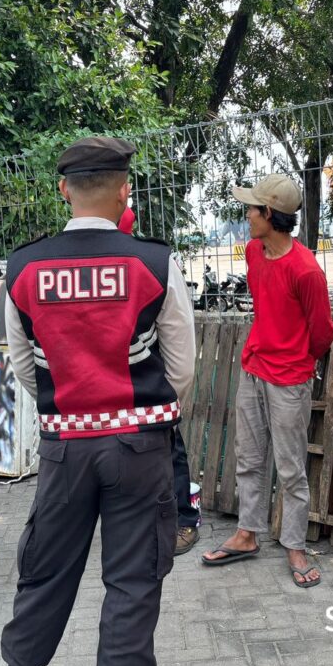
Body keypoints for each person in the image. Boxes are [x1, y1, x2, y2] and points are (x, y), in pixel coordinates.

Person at [0, 137, 196, 666]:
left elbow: (23, 365)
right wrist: (144, 410)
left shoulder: (24, 267)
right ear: (124, 191)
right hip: (139, 444)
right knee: (134, 575)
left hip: (64, 447)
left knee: (47, 568)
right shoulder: (154, 263)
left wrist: (65, 405)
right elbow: (182, 364)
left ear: (63, 189)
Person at [201, 174, 333, 588]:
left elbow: (323, 333)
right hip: (254, 369)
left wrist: (296, 361)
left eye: (253, 209)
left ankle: (295, 545)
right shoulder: (254, 253)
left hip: (289, 379)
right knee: (250, 458)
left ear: (270, 215)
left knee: (291, 467)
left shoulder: (306, 270)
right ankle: (248, 533)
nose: (246, 215)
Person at [118, 205, 201, 555]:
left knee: (171, 453)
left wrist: (168, 399)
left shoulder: (148, 264)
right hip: (118, 397)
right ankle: (146, 521)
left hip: (150, 390)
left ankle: (184, 520)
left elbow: (177, 342)